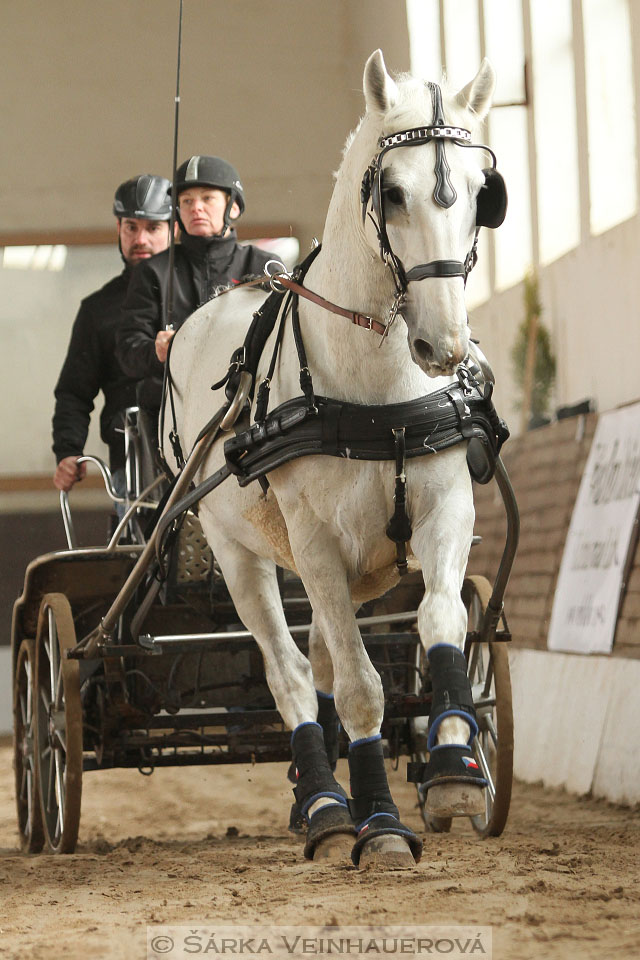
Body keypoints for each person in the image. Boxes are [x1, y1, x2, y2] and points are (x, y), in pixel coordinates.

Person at [116, 156, 273, 431]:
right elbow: (127, 349)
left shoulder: (265, 267)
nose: (196, 208)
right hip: (171, 419)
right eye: (186, 201)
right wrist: (156, 351)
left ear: (233, 207)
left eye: (207, 198)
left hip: (252, 413)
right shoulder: (152, 272)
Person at [52, 175, 172, 497]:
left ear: (173, 230)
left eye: (153, 227)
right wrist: (67, 450)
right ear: (118, 229)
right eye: (131, 227)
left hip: (203, 463)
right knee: (140, 549)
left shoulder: (193, 296)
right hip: (131, 469)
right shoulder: (97, 309)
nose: (141, 238)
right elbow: (74, 392)